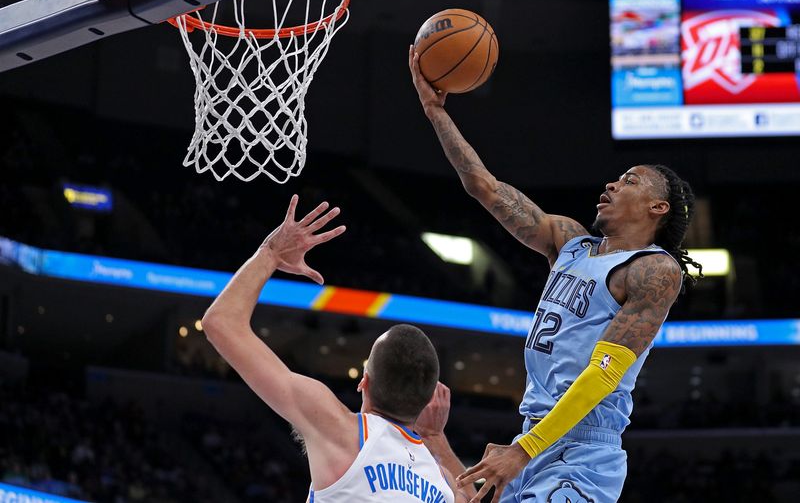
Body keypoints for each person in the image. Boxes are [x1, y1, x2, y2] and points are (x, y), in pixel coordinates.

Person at [409, 46, 702, 503]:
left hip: (583, 451)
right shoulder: (569, 242)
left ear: (657, 208)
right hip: (533, 435)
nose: (611, 183)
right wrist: (434, 112)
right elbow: (483, 186)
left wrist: (523, 451)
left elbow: (604, 375)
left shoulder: (654, 269)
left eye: (629, 180)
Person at [200, 195, 475, 502]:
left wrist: (272, 253)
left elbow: (221, 323)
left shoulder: (341, 432)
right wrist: (436, 439)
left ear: (364, 382)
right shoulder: (443, 483)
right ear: (429, 403)